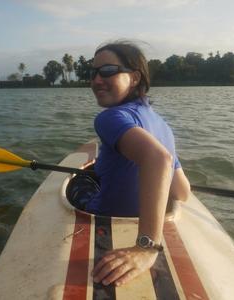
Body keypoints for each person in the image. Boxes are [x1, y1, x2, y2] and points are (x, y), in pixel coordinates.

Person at [83, 41, 191, 287]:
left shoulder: (110, 118)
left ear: (134, 78)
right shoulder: (162, 126)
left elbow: (157, 159)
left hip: (106, 216)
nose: (97, 80)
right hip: (144, 215)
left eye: (108, 71)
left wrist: (147, 247)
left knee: (84, 183)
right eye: (93, 73)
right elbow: (181, 192)